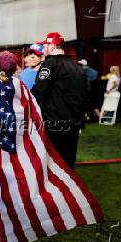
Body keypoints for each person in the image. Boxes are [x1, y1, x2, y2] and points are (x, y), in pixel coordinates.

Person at [31, 32, 87, 170]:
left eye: (44, 46)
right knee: (68, 164)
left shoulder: (50, 64)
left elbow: (38, 92)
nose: (43, 49)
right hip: (74, 124)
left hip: (55, 124)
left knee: (54, 166)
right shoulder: (77, 67)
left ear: (51, 46)